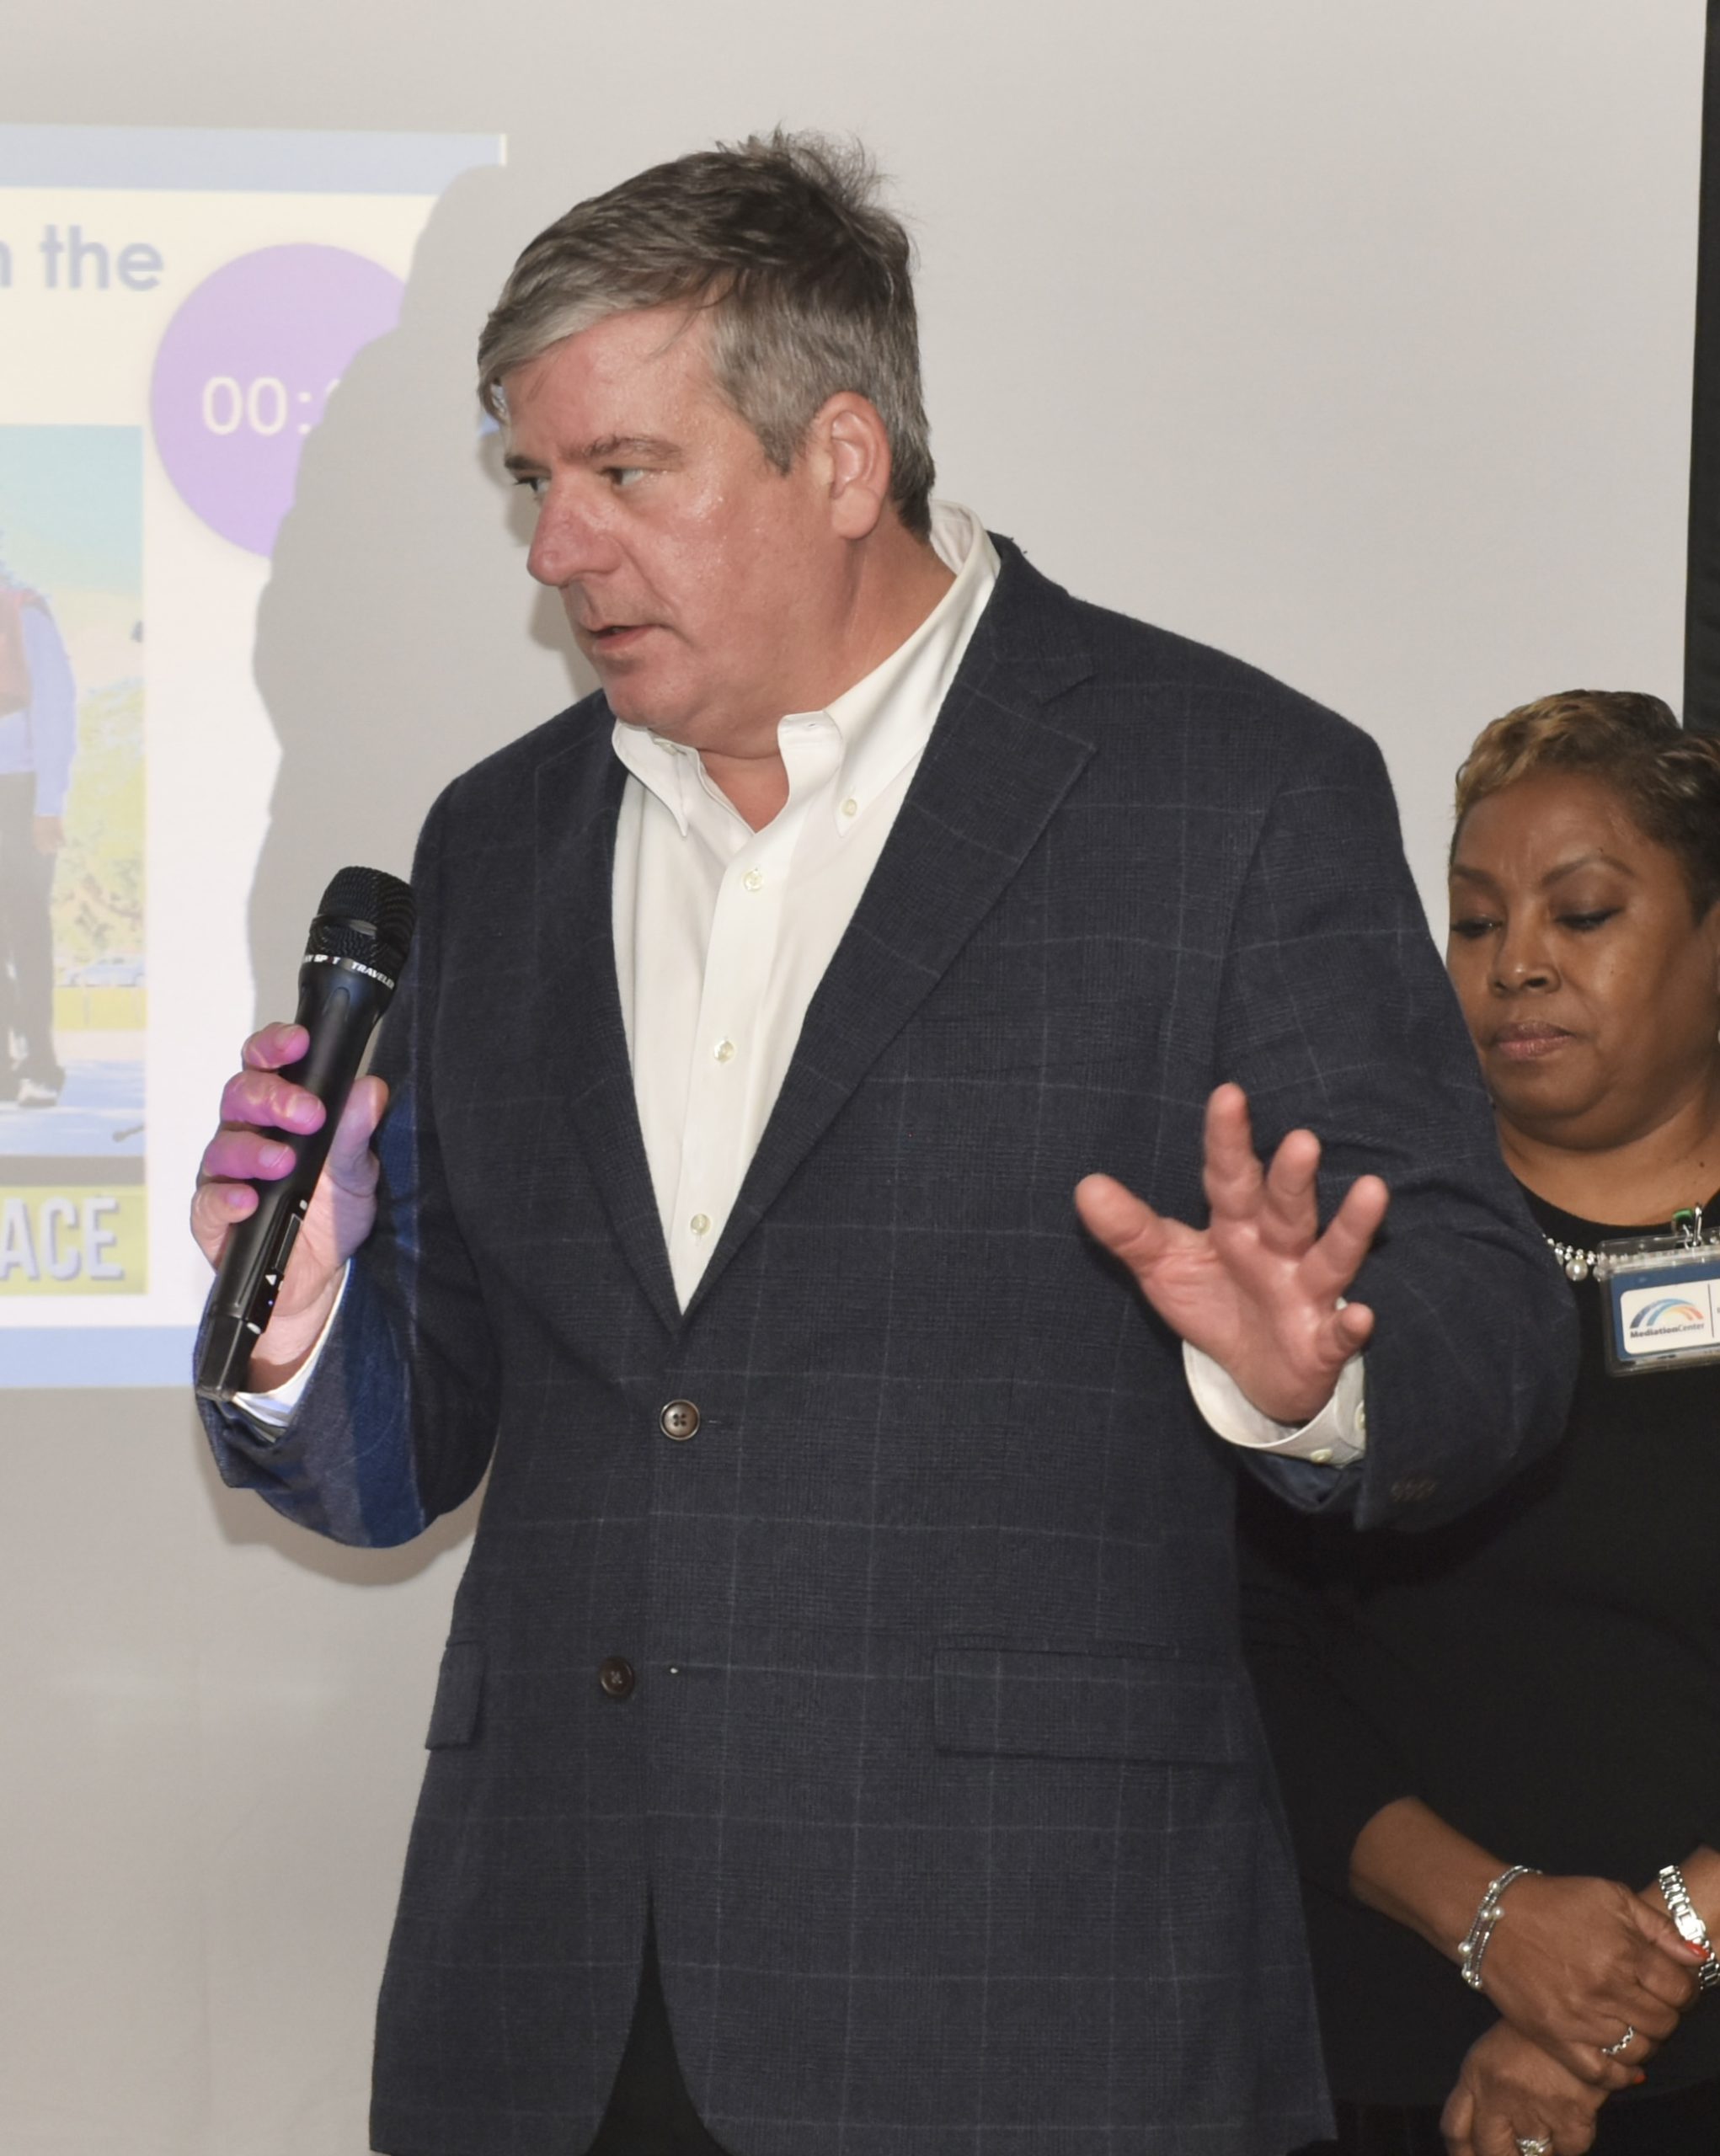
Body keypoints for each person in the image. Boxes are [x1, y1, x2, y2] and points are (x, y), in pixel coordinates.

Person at [190, 135, 1573, 2156]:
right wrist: (312, 1322)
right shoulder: (499, 840)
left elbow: (1490, 1316)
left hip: (1024, 2013)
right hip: (548, 2018)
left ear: (842, 458)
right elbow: (425, 1446)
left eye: (622, 471)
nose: (554, 547)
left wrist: (1321, 1374)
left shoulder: (1221, 791)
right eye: (530, 475)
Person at [1246, 691, 1720, 2156]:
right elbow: (1246, 1651)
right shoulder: (1353, 1251)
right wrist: (1492, 1923)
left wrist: (1622, 1986)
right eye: (1471, 921)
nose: (1514, 962)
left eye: (1581, 914)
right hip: (1372, 2052)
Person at [0, 547, 77, 1108]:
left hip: (18, 791)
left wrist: (47, 804)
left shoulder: (24, 612)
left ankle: (41, 1063)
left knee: (26, 932)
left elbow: (56, 709)